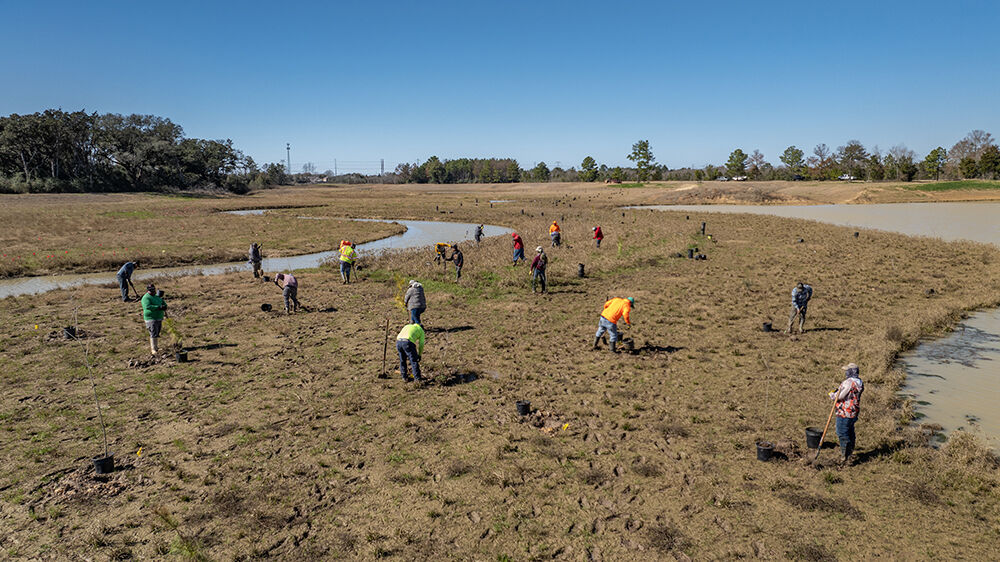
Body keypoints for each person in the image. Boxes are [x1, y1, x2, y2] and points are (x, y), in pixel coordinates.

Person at [828, 363, 864, 464]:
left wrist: (832, 395)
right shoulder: (860, 382)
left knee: (842, 432)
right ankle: (850, 451)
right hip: (854, 411)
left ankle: (846, 456)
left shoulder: (848, 383)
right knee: (850, 431)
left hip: (845, 411)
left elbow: (840, 396)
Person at [140, 283, 167, 355]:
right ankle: (153, 349)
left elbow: (163, 302)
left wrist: (164, 306)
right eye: (151, 290)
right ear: (148, 290)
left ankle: (156, 347)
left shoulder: (156, 296)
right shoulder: (146, 298)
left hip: (158, 317)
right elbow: (148, 306)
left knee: (157, 332)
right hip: (151, 318)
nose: (153, 291)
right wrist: (158, 307)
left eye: (153, 289)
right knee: (153, 333)